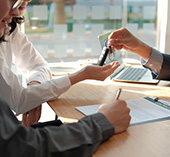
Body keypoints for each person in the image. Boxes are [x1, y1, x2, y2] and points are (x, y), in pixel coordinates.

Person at [0, 1, 131, 156]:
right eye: (13, 1)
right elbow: (21, 105)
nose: (17, 11)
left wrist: (35, 87)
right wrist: (101, 122)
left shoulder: (8, 27)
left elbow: (40, 66)